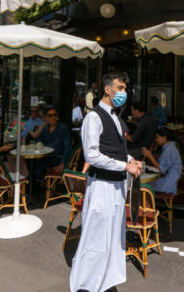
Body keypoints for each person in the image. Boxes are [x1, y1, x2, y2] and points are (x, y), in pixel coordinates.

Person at [70, 72, 142, 292]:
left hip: (117, 187)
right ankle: (86, 283)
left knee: (113, 236)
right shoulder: (93, 117)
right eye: (120, 88)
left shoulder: (117, 118)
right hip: (101, 186)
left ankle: (105, 280)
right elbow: (91, 156)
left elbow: (117, 151)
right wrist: (124, 166)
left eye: (124, 88)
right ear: (107, 89)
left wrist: (131, 159)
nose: (124, 92)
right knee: (96, 236)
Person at [28, 106, 71, 181]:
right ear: (46, 118)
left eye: (55, 115)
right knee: (30, 164)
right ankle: (34, 186)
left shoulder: (63, 128)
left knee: (38, 168)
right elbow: (39, 141)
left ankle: (43, 187)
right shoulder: (44, 128)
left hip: (58, 158)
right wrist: (39, 153)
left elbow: (68, 148)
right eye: (50, 115)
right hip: (46, 157)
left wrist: (63, 164)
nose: (53, 117)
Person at [142, 128, 182, 195]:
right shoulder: (170, 146)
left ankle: (146, 203)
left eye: (158, 137)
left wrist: (150, 156)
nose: (156, 140)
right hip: (170, 178)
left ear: (164, 137)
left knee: (142, 184)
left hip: (168, 183)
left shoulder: (169, 150)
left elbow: (161, 170)